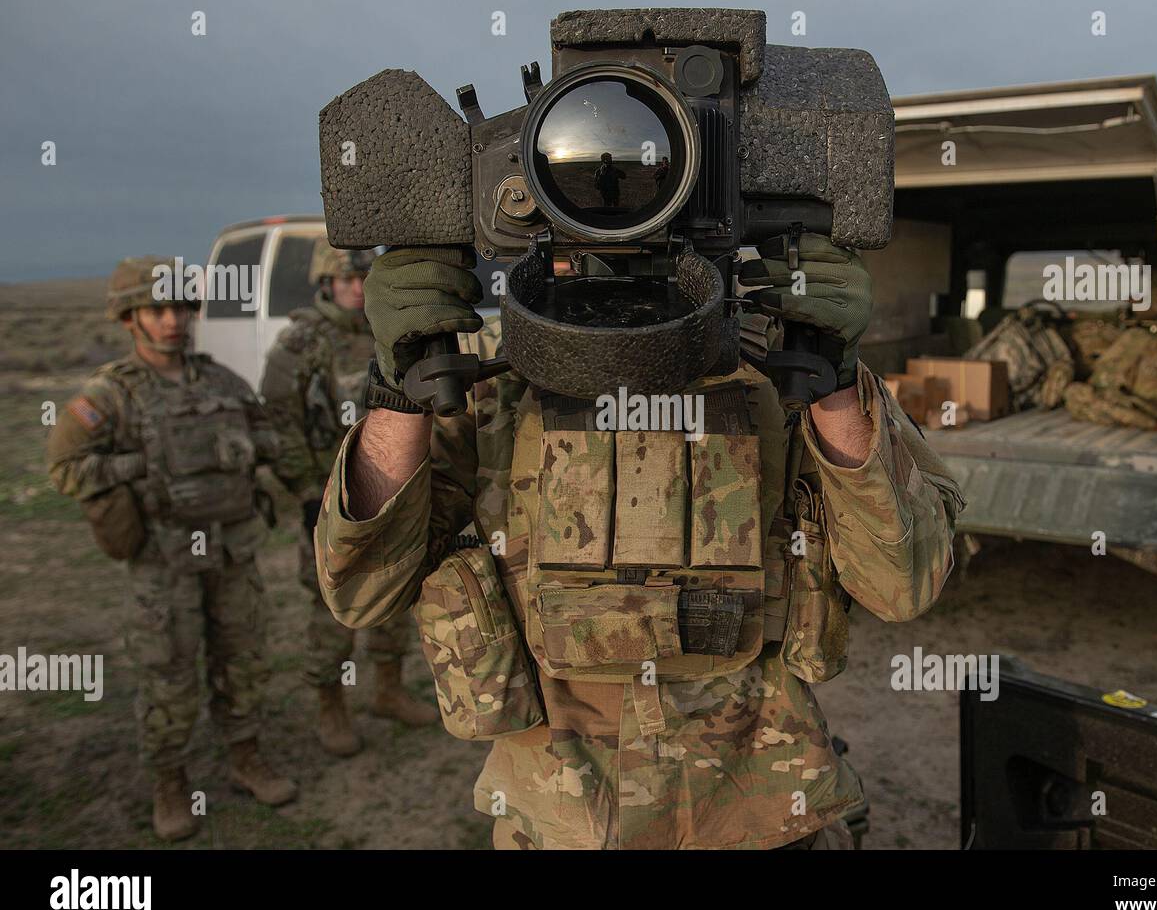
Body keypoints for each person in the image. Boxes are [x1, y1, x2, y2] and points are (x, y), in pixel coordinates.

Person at [314, 235, 965, 849]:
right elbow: (363, 591)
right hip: (559, 821)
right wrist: (400, 393)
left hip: (760, 816)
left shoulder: (783, 367)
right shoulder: (483, 379)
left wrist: (836, 383)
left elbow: (902, 584)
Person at [46, 256, 296, 842]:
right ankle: (171, 782)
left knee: (244, 660)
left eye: (182, 307)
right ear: (130, 317)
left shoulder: (221, 381)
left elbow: (266, 437)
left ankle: (246, 758)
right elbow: (64, 468)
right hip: (164, 561)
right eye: (159, 309)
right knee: (168, 673)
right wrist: (138, 465)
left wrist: (246, 447)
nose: (174, 320)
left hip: (232, 552)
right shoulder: (108, 396)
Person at [260, 239, 438, 757]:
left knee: (394, 594)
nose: (357, 290)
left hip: (386, 496)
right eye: (346, 281)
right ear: (325, 284)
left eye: (365, 280)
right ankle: (330, 706)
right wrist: (307, 494)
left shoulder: (384, 336)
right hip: (326, 503)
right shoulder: (299, 343)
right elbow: (278, 424)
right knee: (329, 608)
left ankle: (387, 690)